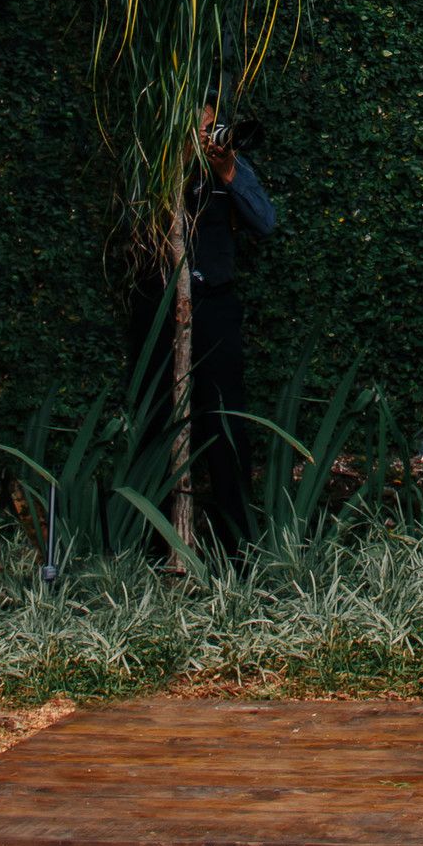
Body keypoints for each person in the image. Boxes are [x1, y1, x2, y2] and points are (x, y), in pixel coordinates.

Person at [130, 102, 277, 552]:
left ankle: (237, 553)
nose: (210, 135)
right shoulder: (150, 165)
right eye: (202, 128)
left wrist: (229, 171)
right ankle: (155, 551)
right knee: (157, 422)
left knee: (225, 427)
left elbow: (266, 222)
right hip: (159, 312)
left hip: (214, 305)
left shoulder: (225, 163)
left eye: (214, 127)